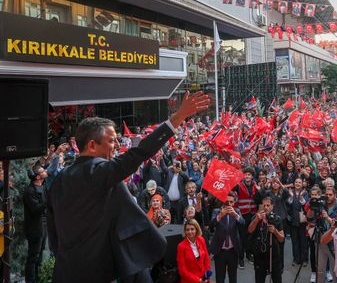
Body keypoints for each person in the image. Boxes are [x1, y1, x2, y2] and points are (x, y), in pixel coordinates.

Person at [47, 91, 209, 282]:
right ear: (92, 145)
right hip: (99, 271)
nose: (116, 145)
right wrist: (177, 117)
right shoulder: (97, 172)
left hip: (68, 270)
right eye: (111, 140)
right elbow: (138, 153)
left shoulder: (58, 179)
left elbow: (53, 232)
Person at [249, 196, 286, 283]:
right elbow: (250, 230)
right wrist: (257, 220)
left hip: (274, 255)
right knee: (259, 280)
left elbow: (282, 239)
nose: (266, 207)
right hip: (259, 255)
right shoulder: (256, 217)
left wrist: (275, 231)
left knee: (277, 280)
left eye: (268, 205)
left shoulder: (277, 219)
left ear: (272, 206)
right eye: (264, 205)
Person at [210, 192, 244, 283]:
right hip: (220, 250)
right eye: (227, 202)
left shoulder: (236, 211)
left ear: (234, 203)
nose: (229, 204)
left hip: (233, 250)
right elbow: (211, 225)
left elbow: (243, 223)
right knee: (220, 278)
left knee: (233, 277)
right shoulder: (217, 211)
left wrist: (235, 215)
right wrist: (220, 215)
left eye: (231, 202)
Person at [23, 163, 48, 283]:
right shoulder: (29, 191)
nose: (45, 172)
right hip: (35, 228)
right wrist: (49, 201)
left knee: (39, 256)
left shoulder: (43, 187)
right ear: (38, 177)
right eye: (42, 171)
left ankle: (37, 279)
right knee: (33, 257)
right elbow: (36, 209)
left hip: (43, 226)